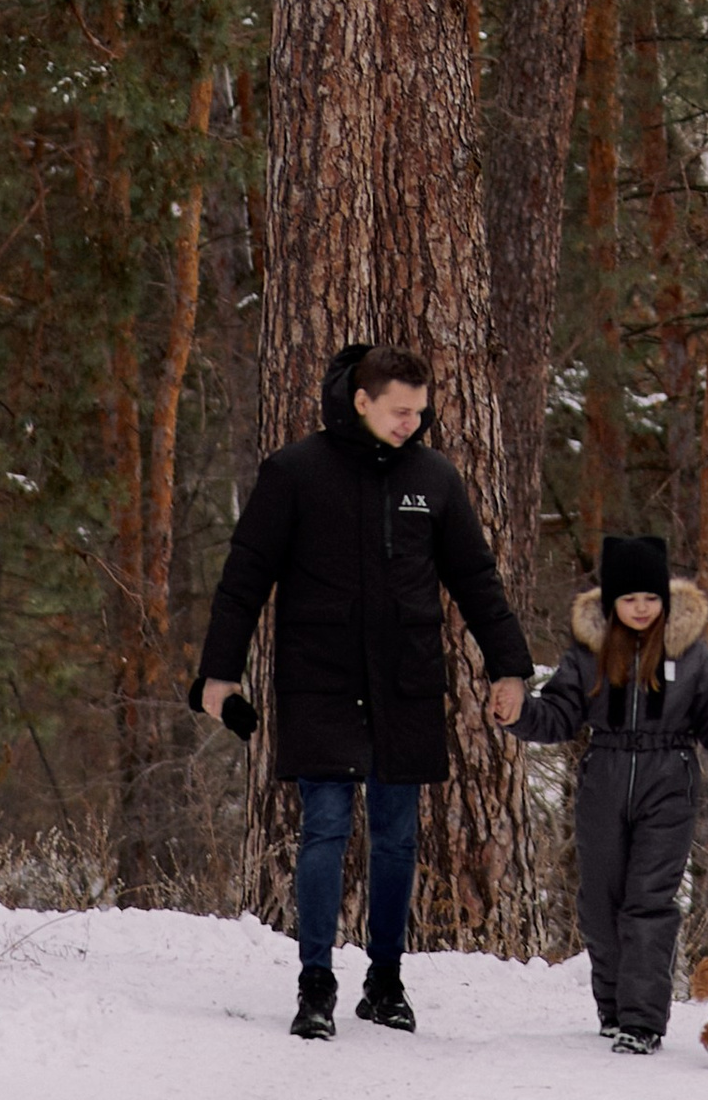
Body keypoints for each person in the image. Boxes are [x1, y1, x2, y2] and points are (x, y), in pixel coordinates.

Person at [194, 339, 532, 1041]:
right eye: (399, 411)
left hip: (405, 681)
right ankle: (315, 981)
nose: (412, 423)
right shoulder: (294, 472)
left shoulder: (434, 479)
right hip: (320, 678)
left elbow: (475, 580)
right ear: (362, 401)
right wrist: (218, 675)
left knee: (397, 837)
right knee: (324, 828)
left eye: (419, 411)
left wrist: (510, 668)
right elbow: (244, 579)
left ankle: (385, 981)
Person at [503, 533, 708, 1055]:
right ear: (612, 602)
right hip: (603, 779)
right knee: (600, 905)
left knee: (648, 903)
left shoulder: (693, 658)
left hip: (668, 781)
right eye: (630, 599)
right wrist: (518, 715)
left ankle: (642, 1021)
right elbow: (559, 714)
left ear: (665, 600)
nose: (640, 609)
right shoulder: (587, 654)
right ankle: (612, 1011)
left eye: (650, 599)